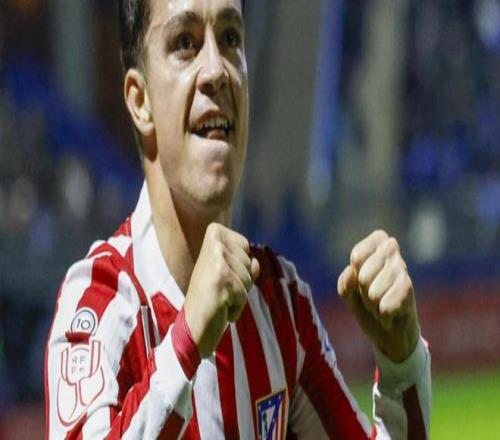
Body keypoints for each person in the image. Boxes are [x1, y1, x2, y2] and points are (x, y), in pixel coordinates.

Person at [44, 0, 431, 438]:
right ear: (140, 100)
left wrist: (401, 364)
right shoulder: (98, 304)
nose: (217, 70)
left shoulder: (280, 306)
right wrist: (186, 342)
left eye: (230, 39)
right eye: (185, 43)